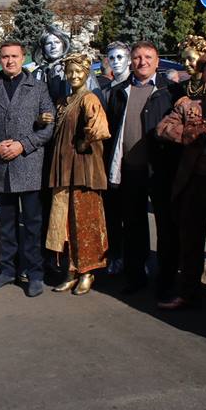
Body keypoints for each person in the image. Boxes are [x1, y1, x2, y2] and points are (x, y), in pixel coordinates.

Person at [156, 52, 206, 312]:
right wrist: (188, 133)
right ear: (202, 75)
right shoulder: (189, 103)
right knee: (191, 242)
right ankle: (188, 293)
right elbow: (162, 128)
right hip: (193, 183)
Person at [0, 40, 55, 297]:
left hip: (28, 165)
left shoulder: (38, 87)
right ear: (0, 59)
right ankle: (7, 270)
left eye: (15, 56)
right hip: (0, 167)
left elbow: (49, 126)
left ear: (23, 58)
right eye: (5, 56)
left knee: (32, 223)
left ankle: (34, 273)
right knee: (6, 223)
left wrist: (23, 144)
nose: (10, 61)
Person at [105, 41, 178, 297]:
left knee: (166, 226)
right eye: (137, 57)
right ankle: (135, 276)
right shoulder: (118, 92)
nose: (142, 62)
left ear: (158, 62)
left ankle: (166, 279)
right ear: (130, 61)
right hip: (129, 170)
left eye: (148, 57)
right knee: (133, 226)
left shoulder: (169, 91)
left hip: (160, 170)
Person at [46, 53, 111, 296]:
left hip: (83, 171)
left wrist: (85, 140)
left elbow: (100, 127)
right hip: (64, 170)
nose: (73, 76)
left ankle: (87, 272)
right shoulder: (64, 100)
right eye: (69, 72)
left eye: (78, 71)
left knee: (85, 222)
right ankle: (71, 270)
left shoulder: (89, 98)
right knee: (65, 222)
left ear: (86, 72)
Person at [93, 41, 131, 275]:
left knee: (133, 213)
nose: (116, 62)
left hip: (131, 156)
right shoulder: (104, 89)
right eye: (111, 57)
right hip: (107, 157)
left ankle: (138, 257)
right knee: (112, 212)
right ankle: (116, 254)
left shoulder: (133, 86)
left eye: (120, 57)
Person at [33, 25, 74, 102]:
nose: (53, 46)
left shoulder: (77, 67)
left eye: (57, 42)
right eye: (48, 43)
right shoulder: (38, 74)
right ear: (43, 47)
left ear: (64, 44)